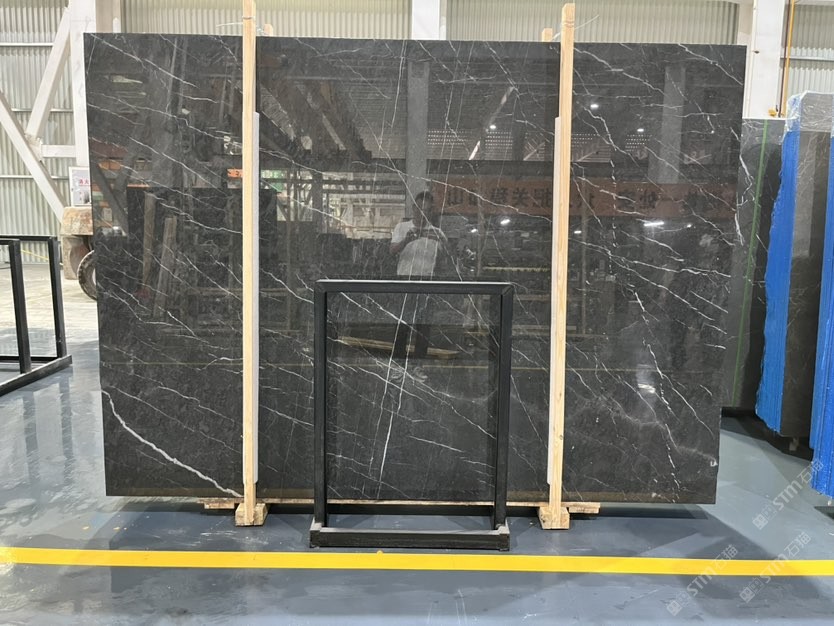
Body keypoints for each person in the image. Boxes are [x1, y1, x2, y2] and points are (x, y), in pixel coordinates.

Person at [388, 191, 446, 380]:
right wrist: (407, 239)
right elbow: (392, 251)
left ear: (431, 212)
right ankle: (398, 365)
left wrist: (442, 242)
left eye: (427, 210)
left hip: (427, 282)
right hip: (405, 281)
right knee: (402, 325)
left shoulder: (437, 232)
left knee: (423, 327)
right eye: (420, 209)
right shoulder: (402, 227)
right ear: (414, 208)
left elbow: (448, 259)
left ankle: (418, 366)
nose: (423, 213)